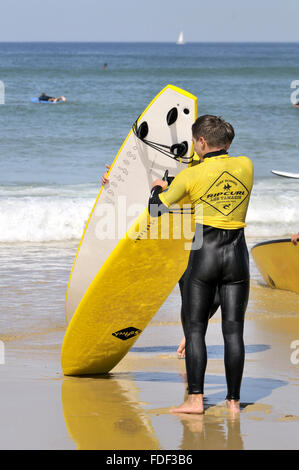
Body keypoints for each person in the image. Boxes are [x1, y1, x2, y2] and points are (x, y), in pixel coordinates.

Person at [101, 120, 236, 359]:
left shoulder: (207, 164)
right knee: (180, 287)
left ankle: (192, 335)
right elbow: (165, 182)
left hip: (193, 233)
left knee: (200, 290)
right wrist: (116, 183)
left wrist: (158, 188)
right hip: (167, 231)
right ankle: (189, 335)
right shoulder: (201, 159)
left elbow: (186, 183)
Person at [148, 115, 253, 414]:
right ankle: (233, 402)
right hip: (237, 256)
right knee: (234, 332)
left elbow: (156, 209)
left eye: (196, 142)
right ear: (227, 142)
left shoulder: (190, 177)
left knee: (195, 330)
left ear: (202, 142)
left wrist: (158, 186)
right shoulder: (246, 165)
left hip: (204, 254)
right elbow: (212, 173)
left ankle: (195, 400)